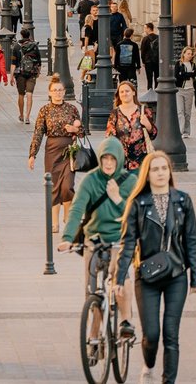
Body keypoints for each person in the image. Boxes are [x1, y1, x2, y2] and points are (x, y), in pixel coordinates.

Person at [116, 151, 196, 384]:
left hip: (176, 274)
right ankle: (149, 365)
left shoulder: (183, 201)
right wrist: (119, 278)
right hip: (147, 276)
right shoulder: (138, 203)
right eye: (155, 169)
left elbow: (192, 239)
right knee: (151, 335)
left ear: (170, 172)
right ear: (147, 174)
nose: (161, 173)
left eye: (164, 168)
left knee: (171, 335)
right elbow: (128, 243)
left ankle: (168, 380)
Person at [59, 137, 138, 339]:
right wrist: (67, 237)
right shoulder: (91, 180)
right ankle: (95, 332)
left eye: (113, 159)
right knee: (91, 288)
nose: (109, 163)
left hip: (119, 239)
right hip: (94, 238)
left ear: (119, 159)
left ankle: (125, 321)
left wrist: (117, 199)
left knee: (120, 275)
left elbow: (135, 215)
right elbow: (77, 208)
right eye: (105, 159)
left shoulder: (130, 182)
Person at [29, 74, 84, 231]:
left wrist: (75, 129)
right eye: (55, 90)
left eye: (60, 90)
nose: (58, 93)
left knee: (67, 185)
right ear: (50, 92)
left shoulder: (72, 109)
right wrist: (33, 154)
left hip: (69, 150)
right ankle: (54, 222)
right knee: (53, 187)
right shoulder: (45, 110)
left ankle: (67, 215)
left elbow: (82, 131)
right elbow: (38, 132)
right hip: (52, 150)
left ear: (64, 92)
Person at [106, 81, 157, 172]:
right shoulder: (115, 113)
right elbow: (109, 137)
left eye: (127, 91)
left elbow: (153, 134)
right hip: (120, 161)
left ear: (133, 92)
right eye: (122, 92)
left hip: (140, 160)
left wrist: (148, 125)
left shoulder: (143, 110)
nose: (124, 94)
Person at [11, 29, 42, 124]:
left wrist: (11, 76)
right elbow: (39, 62)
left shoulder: (16, 47)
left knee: (21, 94)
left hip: (20, 73)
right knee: (29, 94)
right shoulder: (34, 46)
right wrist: (38, 73)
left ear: (21, 35)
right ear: (29, 35)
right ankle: (28, 117)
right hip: (32, 73)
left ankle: (21, 115)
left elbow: (13, 63)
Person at [174, 47, 196, 139]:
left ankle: (186, 131)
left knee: (187, 112)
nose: (190, 56)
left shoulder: (193, 64)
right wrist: (189, 74)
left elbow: (194, 74)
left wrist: (186, 74)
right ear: (183, 54)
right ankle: (180, 130)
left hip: (190, 90)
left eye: (191, 54)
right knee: (180, 111)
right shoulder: (178, 64)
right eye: (188, 53)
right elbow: (177, 76)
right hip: (180, 89)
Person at [140, 23, 160, 90]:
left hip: (148, 61)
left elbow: (143, 51)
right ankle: (157, 92)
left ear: (149, 28)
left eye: (145, 28)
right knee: (157, 78)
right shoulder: (158, 37)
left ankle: (149, 92)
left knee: (149, 79)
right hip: (157, 61)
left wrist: (143, 61)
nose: (144, 30)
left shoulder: (145, 39)